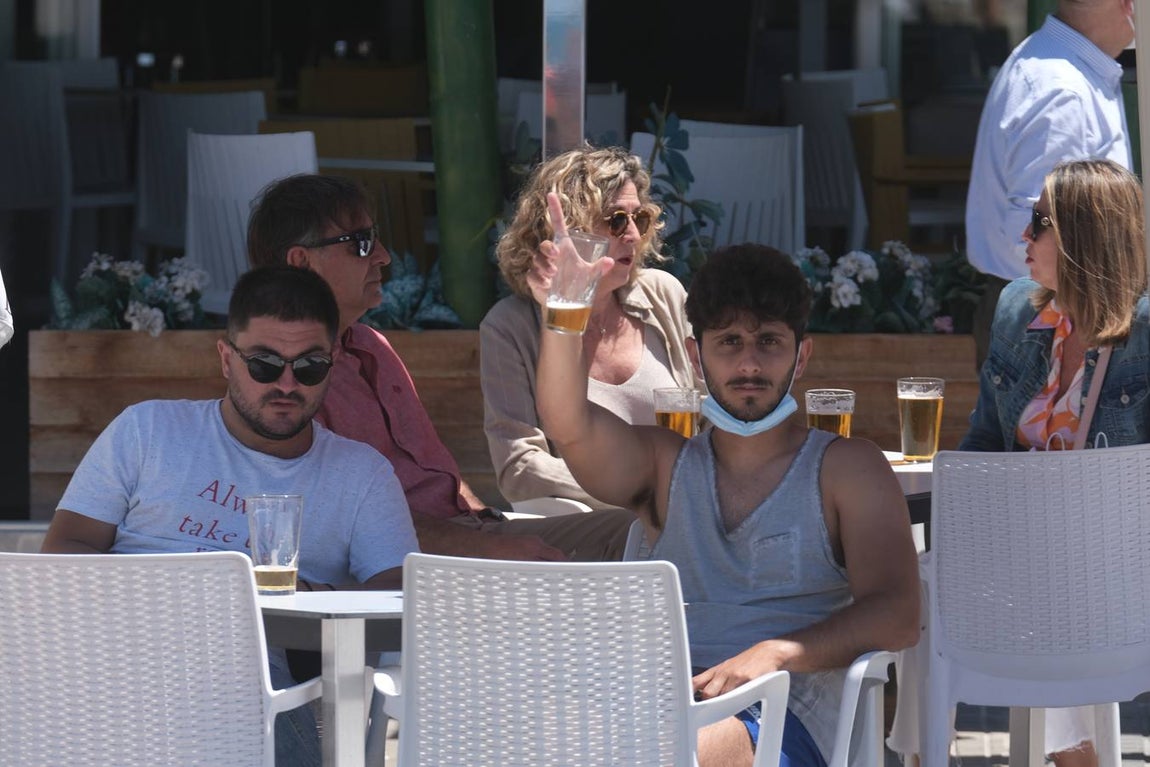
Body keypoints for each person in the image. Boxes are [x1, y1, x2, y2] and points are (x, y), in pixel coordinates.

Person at [532, 208, 921, 767]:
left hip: (784, 714)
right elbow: (567, 423)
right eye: (729, 341)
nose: (748, 362)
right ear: (695, 356)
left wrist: (778, 654)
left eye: (769, 341)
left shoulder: (848, 468)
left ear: (801, 356)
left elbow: (900, 614)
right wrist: (567, 305)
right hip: (657, 704)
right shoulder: (664, 464)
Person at [41, 265, 419, 767]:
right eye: (264, 364)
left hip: (251, 701)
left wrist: (315, 600)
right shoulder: (148, 430)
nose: (287, 384)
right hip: (113, 682)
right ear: (226, 358)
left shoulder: (361, 474)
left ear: (332, 364)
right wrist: (169, 600)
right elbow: (62, 554)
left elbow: (401, 602)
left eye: (309, 367)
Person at [890, 159, 1147, 767]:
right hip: (1014, 562)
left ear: (1086, 237)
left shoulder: (1143, 338)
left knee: (1050, 578)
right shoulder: (1016, 315)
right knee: (912, 577)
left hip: (1116, 576)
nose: (1022, 239)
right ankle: (928, 754)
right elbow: (982, 443)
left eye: (1038, 223)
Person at [247, 173, 634, 561]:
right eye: (361, 244)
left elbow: (434, 476)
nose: (383, 256)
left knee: (642, 529)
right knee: (629, 538)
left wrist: (489, 525)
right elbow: (345, 521)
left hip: (469, 533)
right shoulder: (286, 377)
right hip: (417, 564)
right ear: (301, 262)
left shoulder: (371, 346)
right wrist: (491, 547)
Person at [482, 145, 698, 509]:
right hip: (595, 527)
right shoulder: (509, 327)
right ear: (569, 227)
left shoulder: (665, 294)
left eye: (639, 219)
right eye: (616, 220)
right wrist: (638, 491)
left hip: (685, 516)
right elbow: (518, 468)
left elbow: (710, 413)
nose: (631, 235)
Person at [965, 0, 1135, 368]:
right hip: (1047, 320)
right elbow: (1031, 237)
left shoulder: (1061, 69)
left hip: (1050, 313)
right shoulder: (1062, 89)